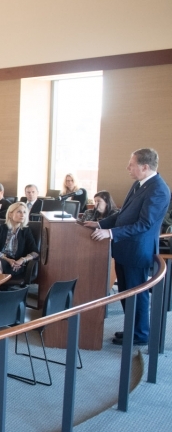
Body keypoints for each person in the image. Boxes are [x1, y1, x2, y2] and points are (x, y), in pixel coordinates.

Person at [86, 148, 170, 346]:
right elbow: (123, 214)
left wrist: (111, 233)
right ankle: (132, 327)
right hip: (125, 248)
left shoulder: (158, 189)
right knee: (125, 290)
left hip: (138, 250)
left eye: (131, 165)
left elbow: (144, 224)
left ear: (145, 167)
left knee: (137, 292)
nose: (127, 168)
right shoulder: (139, 184)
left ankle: (140, 334)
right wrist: (100, 224)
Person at [0, 202, 39, 275]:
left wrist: (23, 259)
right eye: (19, 212)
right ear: (10, 214)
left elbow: (35, 252)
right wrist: (8, 259)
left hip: (17, 265)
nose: (22, 215)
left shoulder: (26, 231)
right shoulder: (0, 228)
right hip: (2, 260)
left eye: (24, 212)